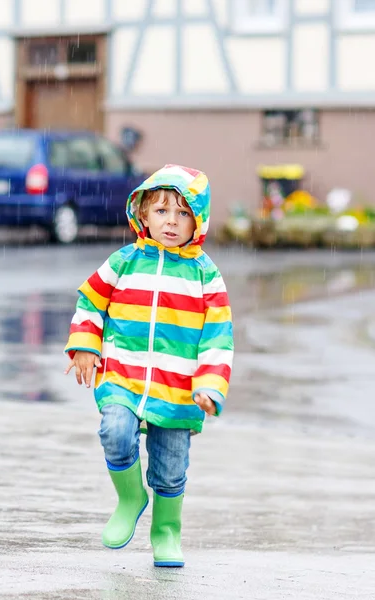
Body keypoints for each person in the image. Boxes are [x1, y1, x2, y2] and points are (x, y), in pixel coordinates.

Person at [64, 164, 234, 567]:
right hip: (123, 375)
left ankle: (166, 532)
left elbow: (219, 336)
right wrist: (86, 344)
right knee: (114, 429)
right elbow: (90, 302)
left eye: (183, 213)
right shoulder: (123, 262)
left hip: (179, 388)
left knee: (171, 468)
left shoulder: (205, 275)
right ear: (142, 214)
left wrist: (211, 385)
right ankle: (129, 498)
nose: (171, 222)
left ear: (199, 220)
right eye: (161, 212)